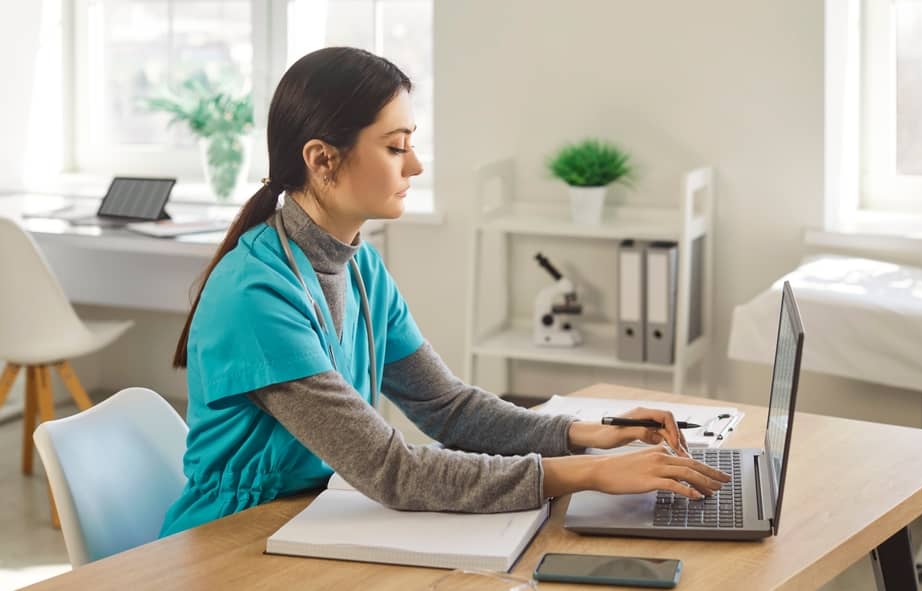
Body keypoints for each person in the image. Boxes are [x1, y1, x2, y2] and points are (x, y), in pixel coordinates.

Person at [159, 47, 729, 537]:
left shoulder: (362, 270)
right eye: (394, 146)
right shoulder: (255, 295)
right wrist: (587, 474)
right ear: (321, 159)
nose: (417, 164)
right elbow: (391, 471)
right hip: (232, 540)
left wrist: (589, 436)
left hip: (312, 520)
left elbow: (448, 408)